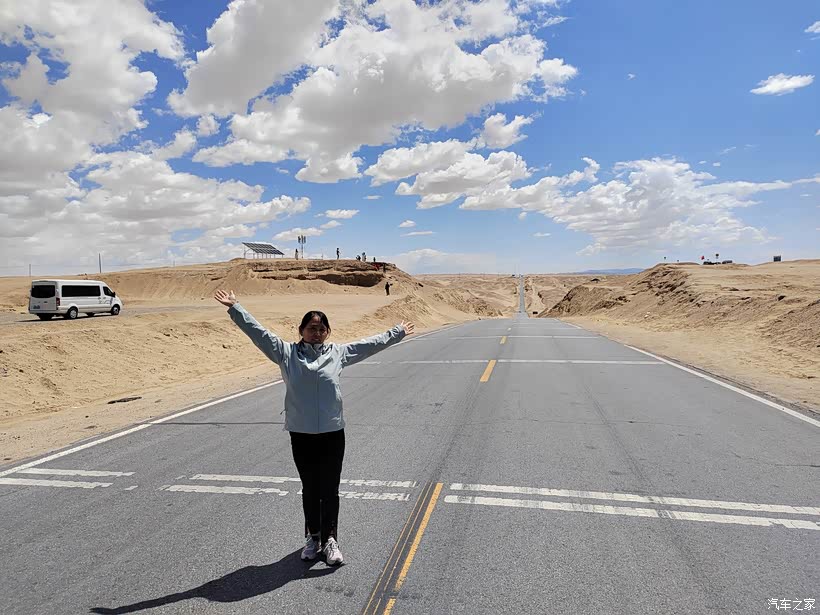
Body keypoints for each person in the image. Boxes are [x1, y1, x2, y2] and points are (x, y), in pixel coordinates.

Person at [213, 289, 414, 566]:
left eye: (321, 329)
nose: (316, 333)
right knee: (310, 487)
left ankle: (331, 540)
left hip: (332, 432)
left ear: (328, 332)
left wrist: (396, 332)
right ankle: (313, 537)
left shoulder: (337, 353)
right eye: (311, 328)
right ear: (301, 331)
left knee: (330, 489)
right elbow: (259, 333)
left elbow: (369, 345)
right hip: (302, 433)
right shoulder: (285, 353)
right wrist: (235, 308)